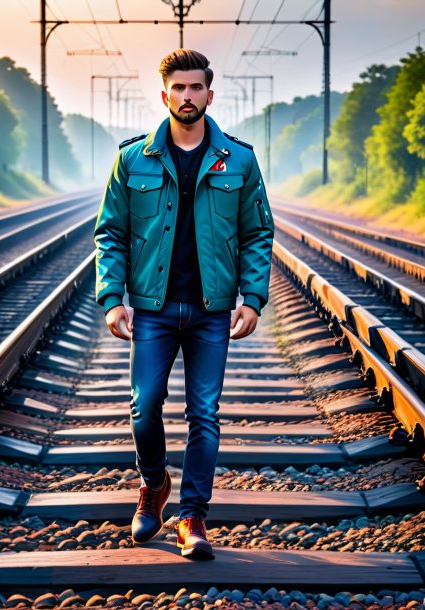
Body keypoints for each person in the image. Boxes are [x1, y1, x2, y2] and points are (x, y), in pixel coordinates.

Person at [94, 49, 274, 560]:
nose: (188, 96)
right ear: (165, 94)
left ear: (209, 95)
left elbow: (258, 231)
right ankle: (154, 486)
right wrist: (113, 299)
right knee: (144, 408)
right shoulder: (133, 159)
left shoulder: (238, 159)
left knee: (205, 415)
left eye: (197, 88)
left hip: (211, 309)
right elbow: (111, 234)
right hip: (151, 307)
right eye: (179, 88)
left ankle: (192, 517)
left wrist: (253, 298)